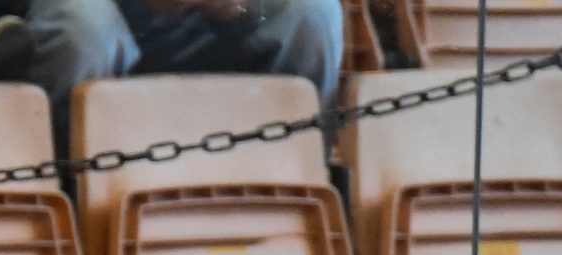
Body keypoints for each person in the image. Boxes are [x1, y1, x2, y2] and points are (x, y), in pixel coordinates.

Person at [28, 0, 344, 141]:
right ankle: (68, 188)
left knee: (312, 11)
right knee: (84, 29)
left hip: (217, 23)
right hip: (106, 12)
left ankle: (300, 178)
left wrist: (243, 7)